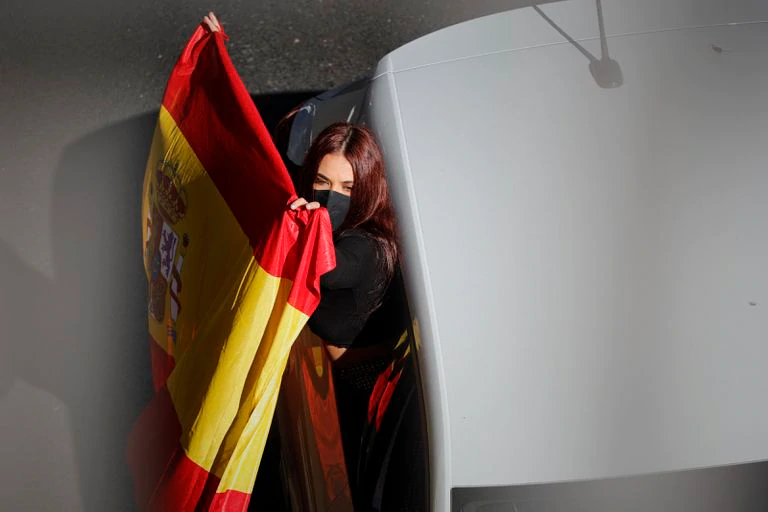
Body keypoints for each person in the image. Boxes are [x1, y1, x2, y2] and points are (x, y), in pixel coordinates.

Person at [203, 12, 409, 506]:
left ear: (368, 188)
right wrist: (217, 61)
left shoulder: (359, 250)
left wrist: (299, 220)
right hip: (325, 357)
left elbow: (320, 262)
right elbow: (266, 155)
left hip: (356, 375)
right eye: (321, 183)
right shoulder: (337, 217)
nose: (330, 198)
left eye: (346, 189)